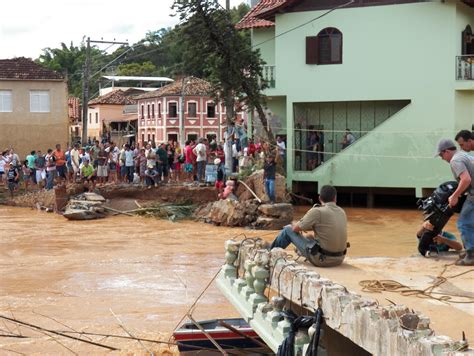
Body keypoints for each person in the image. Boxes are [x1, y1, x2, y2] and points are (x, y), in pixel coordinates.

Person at [270, 185, 348, 267]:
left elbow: (295, 229)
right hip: (339, 259)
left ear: (320, 198)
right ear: (335, 198)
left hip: (322, 260)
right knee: (309, 237)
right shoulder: (342, 212)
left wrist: (294, 224)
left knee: (288, 230)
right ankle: (295, 251)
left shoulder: (317, 211)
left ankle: (270, 253)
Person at [436, 138, 474, 265]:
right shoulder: (464, 154)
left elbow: (466, 180)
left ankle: (471, 255)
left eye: (441, 155)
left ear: (446, 151)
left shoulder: (455, 160)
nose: (442, 159)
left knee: (464, 222)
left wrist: (454, 196)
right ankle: (470, 250)